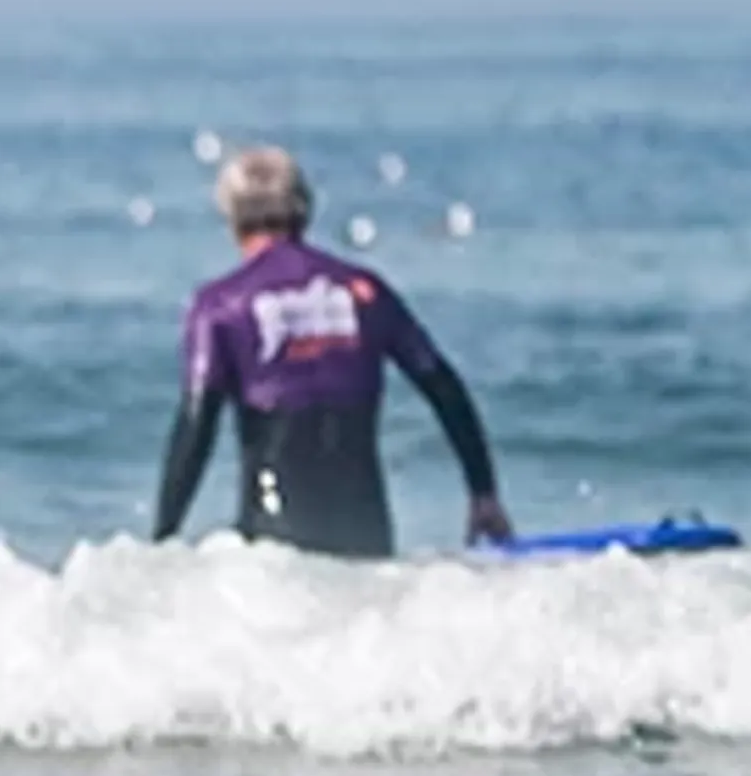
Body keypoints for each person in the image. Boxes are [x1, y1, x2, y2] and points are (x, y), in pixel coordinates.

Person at [153, 146, 513, 557]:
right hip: (366, 532)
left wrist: (164, 539)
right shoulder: (364, 291)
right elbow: (443, 387)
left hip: (275, 545)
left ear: (231, 217)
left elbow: (196, 425)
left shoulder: (220, 306)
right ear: (304, 209)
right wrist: (483, 493)